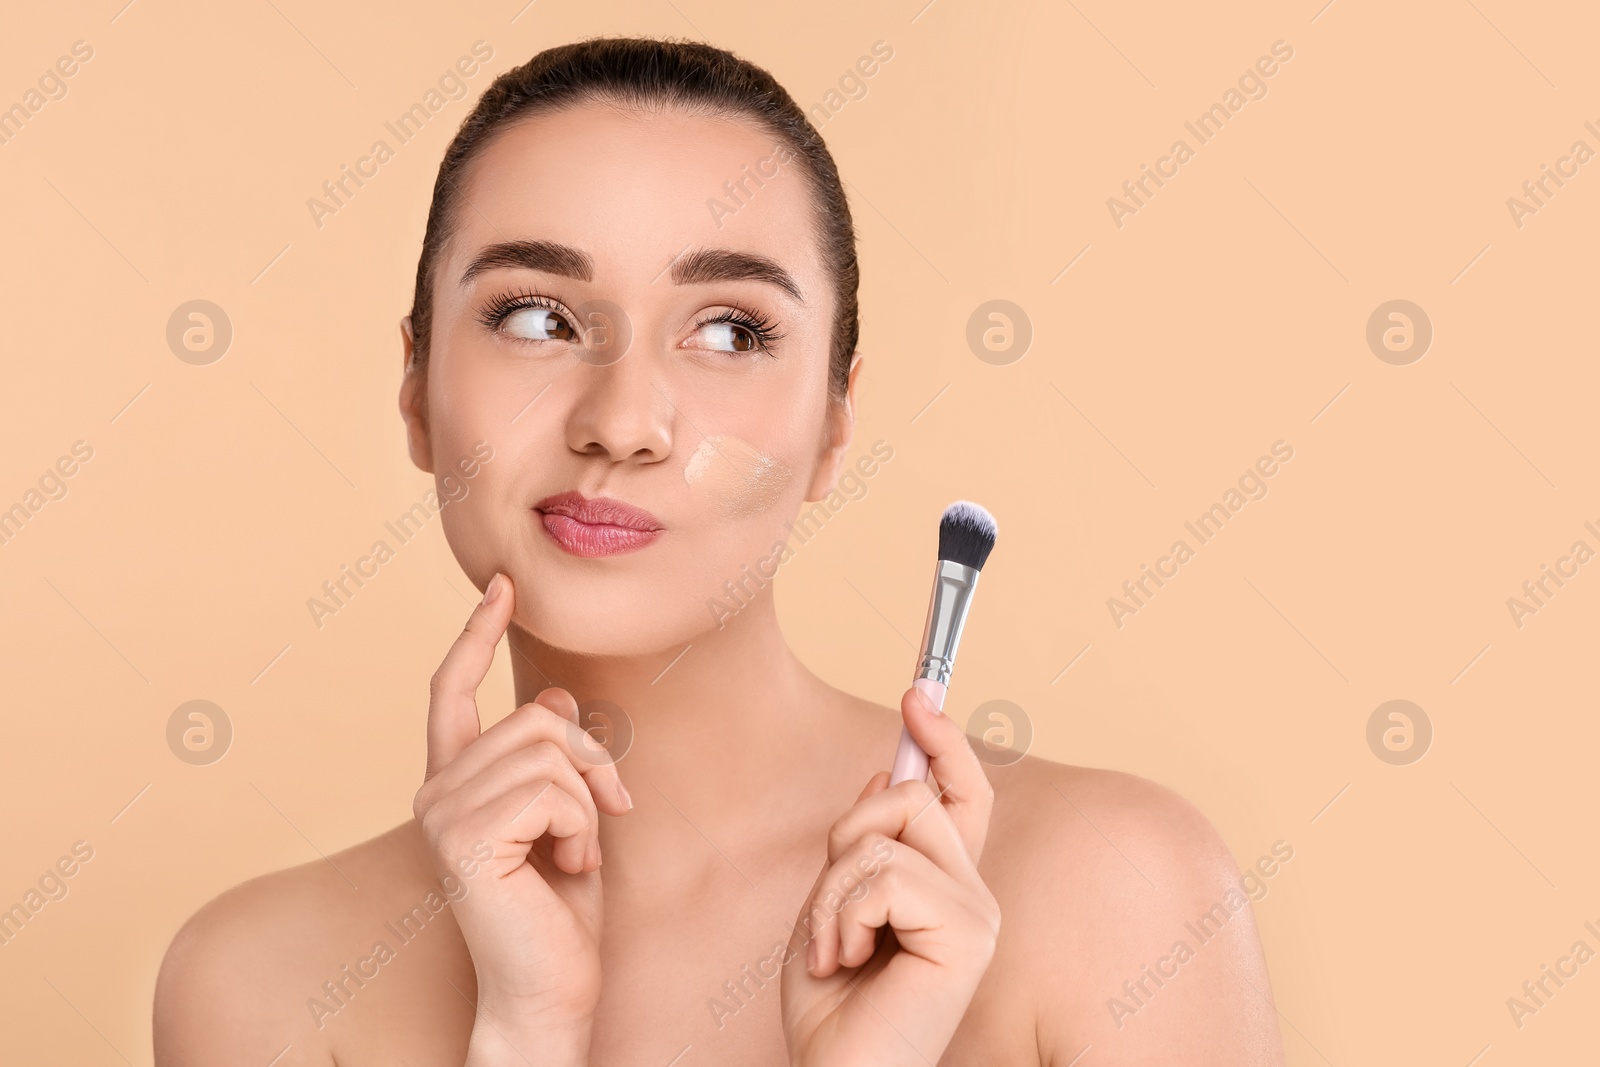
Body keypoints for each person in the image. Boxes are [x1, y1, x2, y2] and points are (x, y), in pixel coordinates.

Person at [154, 36, 1286, 1066]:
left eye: (729, 331)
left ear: (835, 419)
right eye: (537, 316)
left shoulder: (1118, 896)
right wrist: (525, 1033)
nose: (623, 420)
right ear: (414, 388)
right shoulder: (264, 985)